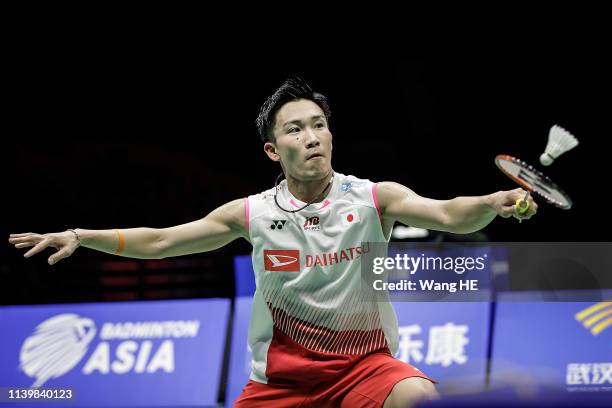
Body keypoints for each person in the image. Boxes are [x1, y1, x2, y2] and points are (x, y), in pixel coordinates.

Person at [9, 77, 537, 408]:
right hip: (282, 384)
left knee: (418, 397)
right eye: (296, 129)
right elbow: (165, 239)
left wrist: (492, 201)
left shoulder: (375, 197)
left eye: (319, 125)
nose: (311, 137)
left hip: (366, 367)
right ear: (272, 148)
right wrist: (82, 235)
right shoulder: (254, 213)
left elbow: (447, 213)